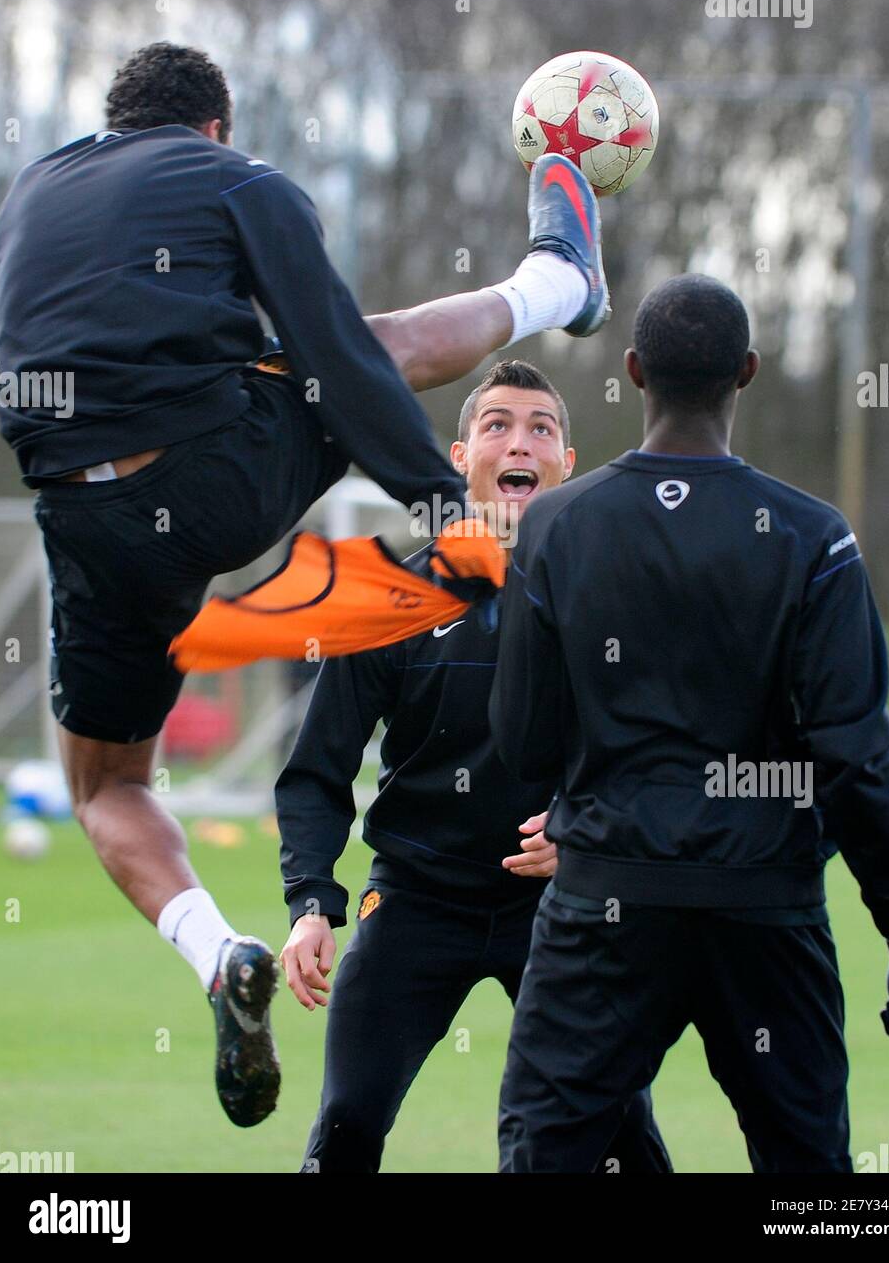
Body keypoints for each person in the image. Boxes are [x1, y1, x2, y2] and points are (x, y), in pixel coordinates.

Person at [0, 39, 609, 1129]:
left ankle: (213, 946)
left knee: (106, 787)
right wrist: (439, 509)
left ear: (114, 121)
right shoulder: (242, 183)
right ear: (217, 126)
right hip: (212, 483)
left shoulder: (34, 189)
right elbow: (333, 358)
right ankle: (559, 278)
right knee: (367, 343)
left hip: (80, 515)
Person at [489, 273, 889, 1173]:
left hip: (602, 915)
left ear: (631, 370)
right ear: (746, 371)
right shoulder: (813, 539)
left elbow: (523, 744)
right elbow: (856, 761)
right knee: (811, 1191)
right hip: (764, 914)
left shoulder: (552, 527)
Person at [276, 359, 670, 1173]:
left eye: (540, 428)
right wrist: (311, 901)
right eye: (496, 425)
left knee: (620, 1131)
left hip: (563, 909)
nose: (517, 441)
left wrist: (589, 831)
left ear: (565, 463)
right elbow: (317, 768)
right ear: (460, 458)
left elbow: (661, 758)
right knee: (346, 1124)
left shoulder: (619, 606)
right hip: (416, 902)